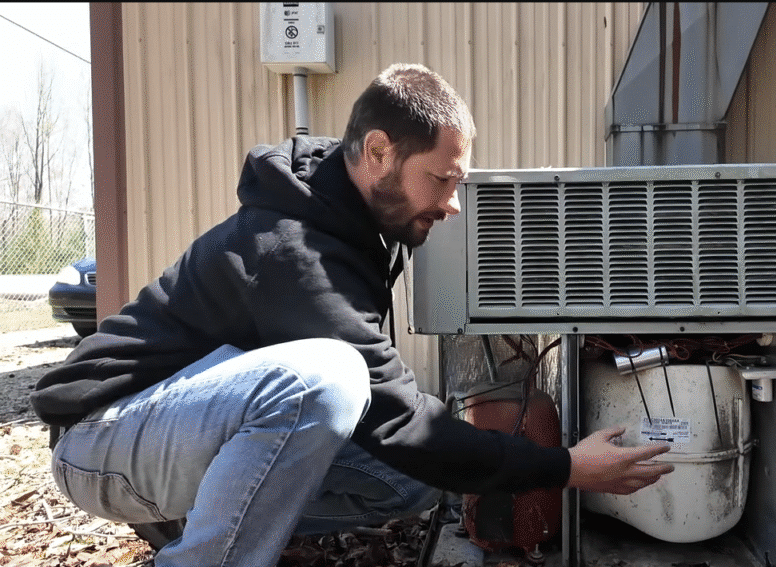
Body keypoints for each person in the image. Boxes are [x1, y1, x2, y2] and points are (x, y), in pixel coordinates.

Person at [31, 63, 673, 566]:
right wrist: (566, 468)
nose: (452, 205)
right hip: (102, 438)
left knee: (408, 484)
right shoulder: (294, 250)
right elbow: (403, 420)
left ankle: (192, 528)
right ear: (377, 151)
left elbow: (406, 443)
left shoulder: (351, 228)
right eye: (441, 180)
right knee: (330, 376)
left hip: (175, 435)